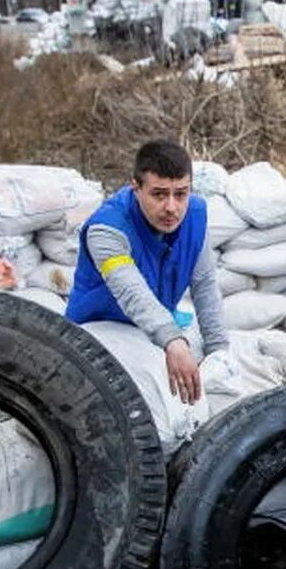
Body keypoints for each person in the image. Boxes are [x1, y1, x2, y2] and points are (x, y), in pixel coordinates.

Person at [65, 140, 228, 404]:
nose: (172, 207)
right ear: (136, 187)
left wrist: (220, 353)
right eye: (159, 194)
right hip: (100, 332)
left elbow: (205, 284)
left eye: (181, 193)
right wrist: (173, 340)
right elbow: (131, 291)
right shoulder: (106, 229)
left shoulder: (195, 215)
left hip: (151, 332)